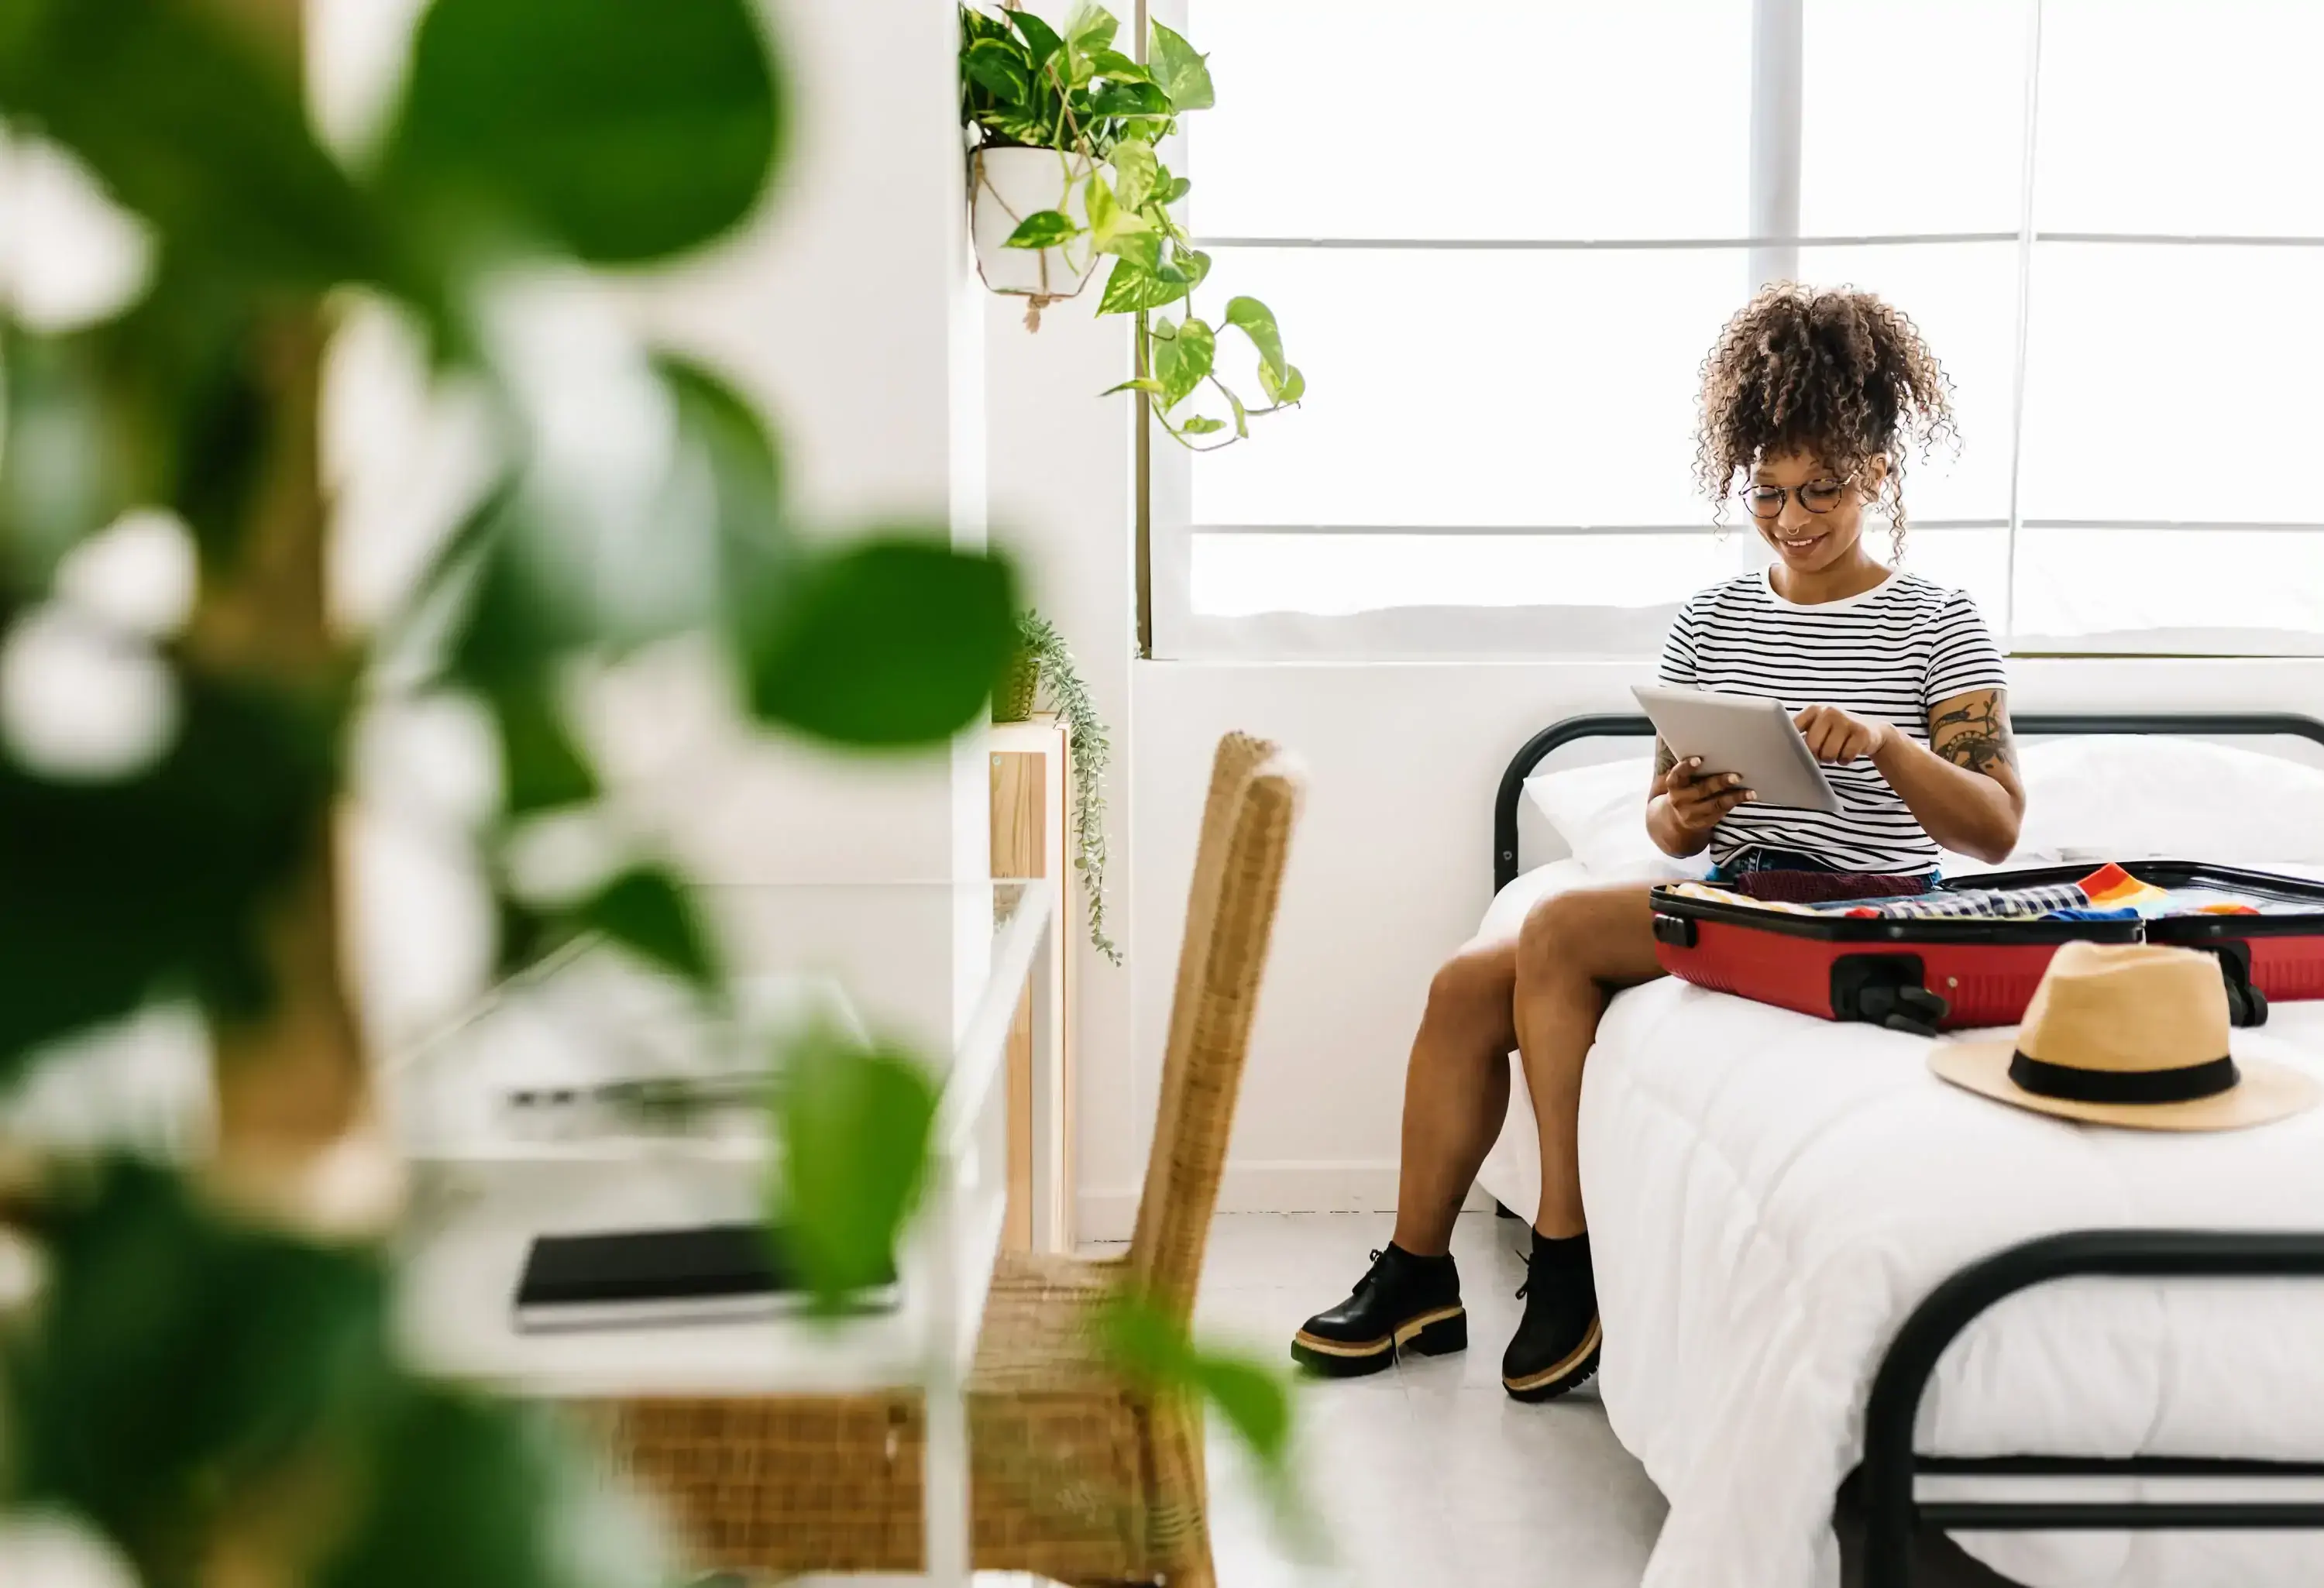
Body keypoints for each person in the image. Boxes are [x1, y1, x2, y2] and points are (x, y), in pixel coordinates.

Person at [1289, 284, 2027, 1402]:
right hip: (1742, 889)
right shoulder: (1712, 619)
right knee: (1458, 989)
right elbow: (1661, 818)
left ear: (1878, 468)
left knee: (1568, 924)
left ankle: (1566, 1259)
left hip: (1859, 910)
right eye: (1770, 492)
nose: (1792, 517)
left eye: (1820, 488)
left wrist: (1883, 743)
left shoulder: (1936, 621)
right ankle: (1420, 1271)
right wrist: (1683, 813)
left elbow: (1999, 824)